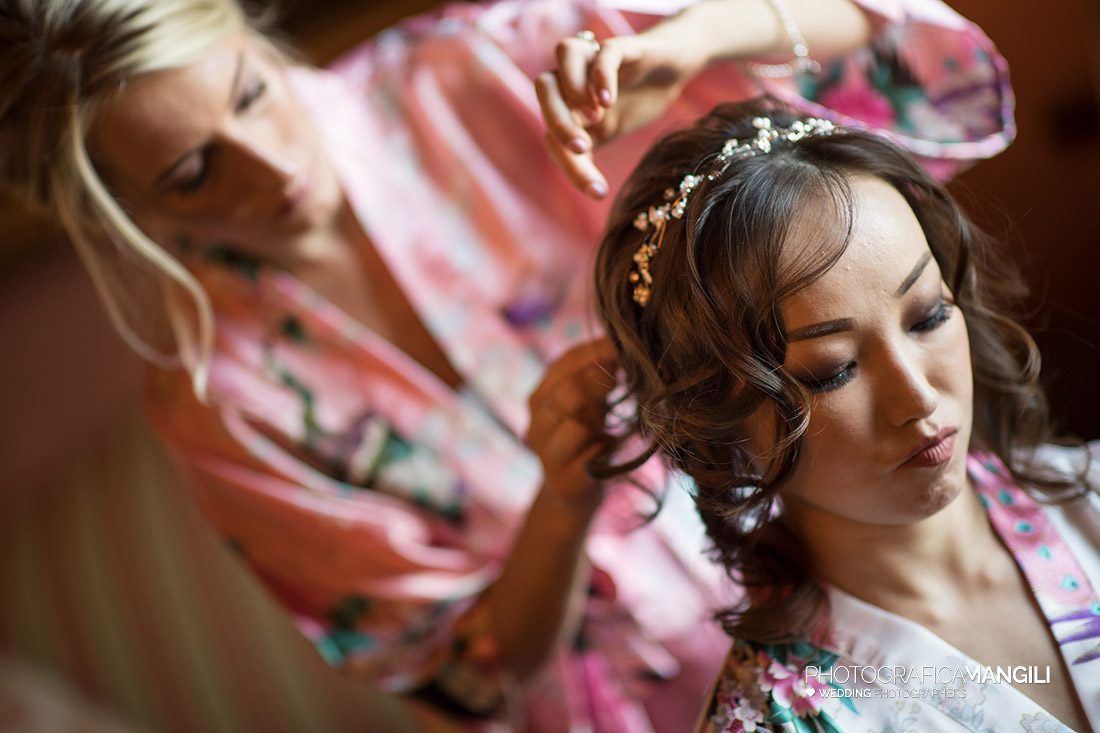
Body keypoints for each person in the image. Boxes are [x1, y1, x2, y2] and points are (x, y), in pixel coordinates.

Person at [0, 0, 1015, 729]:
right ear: (116, 210)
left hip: (887, 556)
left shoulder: (477, 66)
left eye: (251, 95)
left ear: (252, 33)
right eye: (192, 171)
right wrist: (561, 502)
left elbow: (930, 79)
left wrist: (703, 32)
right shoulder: (222, 405)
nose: (269, 165)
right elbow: (467, 680)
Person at [593, 98, 1099, 732]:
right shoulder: (772, 719)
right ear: (714, 417)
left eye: (929, 317)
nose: (916, 396)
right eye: (831, 371)